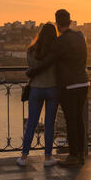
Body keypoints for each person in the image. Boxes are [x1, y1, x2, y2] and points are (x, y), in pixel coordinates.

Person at [27, 9, 89, 166]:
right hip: (84, 82)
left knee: (70, 120)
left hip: (70, 85)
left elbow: (49, 60)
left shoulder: (61, 41)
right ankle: (81, 153)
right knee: (79, 120)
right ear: (70, 21)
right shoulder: (80, 36)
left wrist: (32, 71)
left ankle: (73, 156)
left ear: (57, 23)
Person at [17, 23, 59, 167]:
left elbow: (31, 68)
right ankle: (48, 158)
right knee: (49, 124)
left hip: (36, 88)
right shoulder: (56, 51)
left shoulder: (31, 50)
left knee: (31, 124)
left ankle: (23, 157)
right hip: (53, 89)